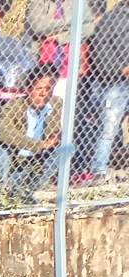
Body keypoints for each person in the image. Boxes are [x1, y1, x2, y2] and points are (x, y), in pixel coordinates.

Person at [0, 65, 67, 204]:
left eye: (48, 89)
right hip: (15, 157)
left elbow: (55, 131)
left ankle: (27, 192)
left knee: (64, 150)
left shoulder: (56, 104)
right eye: (39, 89)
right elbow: (4, 132)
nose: (44, 93)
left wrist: (56, 137)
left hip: (38, 158)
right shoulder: (14, 106)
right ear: (28, 89)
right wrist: (38, 145)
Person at [79, 0, 129, 181]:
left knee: (108, 129)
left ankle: (113, 165)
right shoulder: (115, 19)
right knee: (108, 129)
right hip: (114, 83)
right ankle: (98, 171)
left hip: (115, 82)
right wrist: (122, 69)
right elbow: (102, 56)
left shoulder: (113, 17)